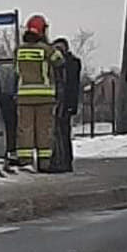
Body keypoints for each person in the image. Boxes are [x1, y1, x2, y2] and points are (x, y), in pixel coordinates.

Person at [14, 15, 64, 171]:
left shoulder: (18, 50)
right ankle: (44, 164)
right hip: (44, 97)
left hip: (24, 97)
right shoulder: (46, 50)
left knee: (25, 130)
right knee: (44, 130)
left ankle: (25, 162)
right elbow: (60, 61)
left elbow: (16, 70)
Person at [49, 37, 81, 172]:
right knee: (58, 131)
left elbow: (73, 85)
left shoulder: (71, 63)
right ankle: (61, 160)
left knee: (62, 131)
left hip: (64, 102)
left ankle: (65, 161)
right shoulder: (63, 62)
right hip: (58, 101)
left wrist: (71, 105)